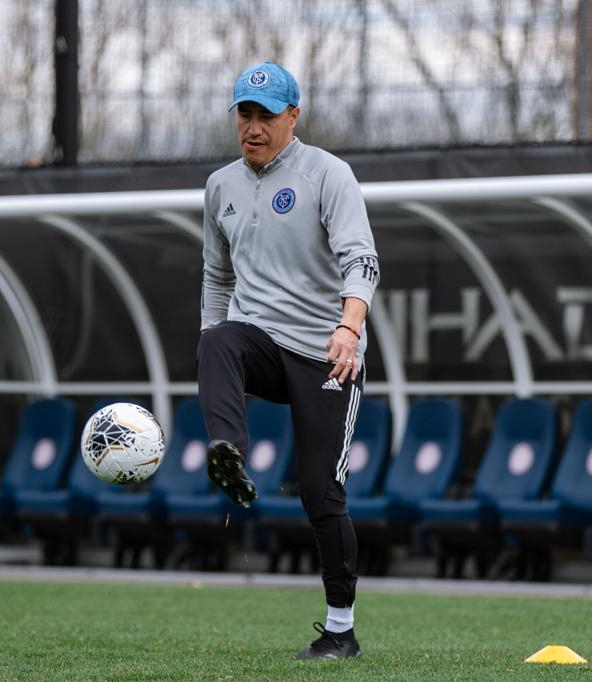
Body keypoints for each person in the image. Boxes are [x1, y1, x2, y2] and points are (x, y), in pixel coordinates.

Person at [197, 60, 380, 660]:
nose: (252, 127)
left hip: (328, 355)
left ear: (293, 116)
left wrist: (348, 329)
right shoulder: (220, 185)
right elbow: (216, 277)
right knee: (217, 338)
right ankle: (228, 451)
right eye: (244, 114)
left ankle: (340, 630)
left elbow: (363, 260)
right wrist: (211, 345)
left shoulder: (328, 174)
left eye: (266, 115)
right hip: (261, 341)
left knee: (321, 494)